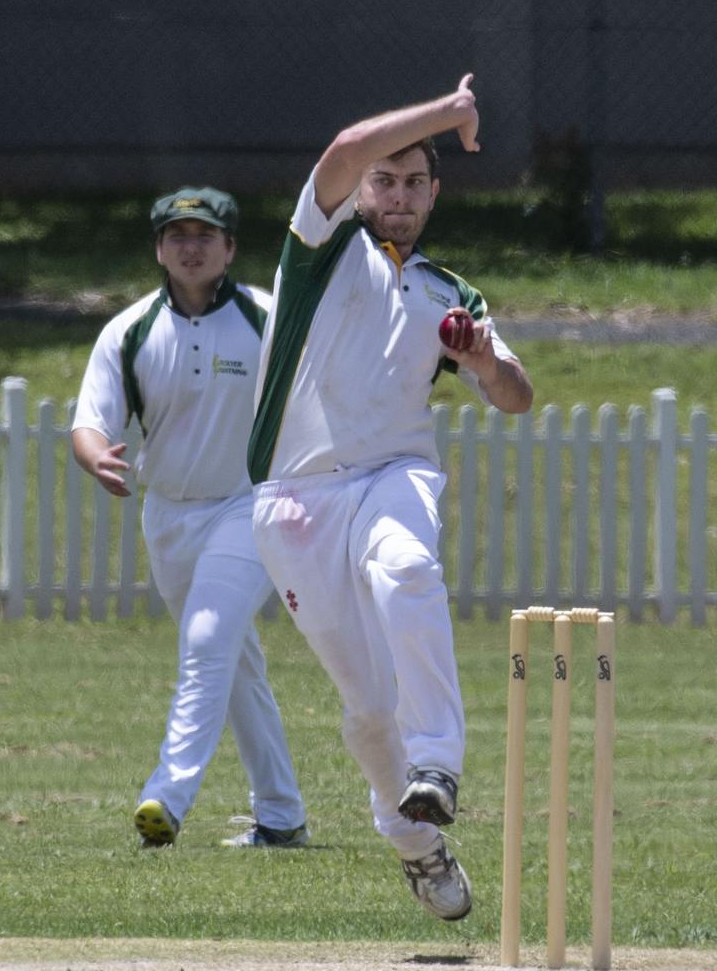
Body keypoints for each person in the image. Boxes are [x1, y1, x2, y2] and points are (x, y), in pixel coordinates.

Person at [247, 75, 532, 918]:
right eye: (386, 180)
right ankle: (417, 842)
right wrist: (451, 111)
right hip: (294, 501)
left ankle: (438, 761)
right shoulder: (320, 246)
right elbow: (341, 149)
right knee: (370, 712)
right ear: (366, 187)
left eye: (414, 183)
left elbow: (516, 394)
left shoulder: (452, 294)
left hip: (393, 476)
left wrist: (483, 363)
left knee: (408, 565)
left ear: (434, 193)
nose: (398, 196)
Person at [72, 186, 308, 850]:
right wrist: (97, 460)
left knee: (207, 640)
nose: (192, 246)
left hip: (248, 505)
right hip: (168, 515)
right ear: (158, 248)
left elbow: (320, 396)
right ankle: (282, 816)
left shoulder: (268, 317)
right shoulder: (130, 330)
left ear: (231, 248)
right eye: (178, 235)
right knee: (235, 666)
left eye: (206, 235)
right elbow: (91, 421)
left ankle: (166, 798)